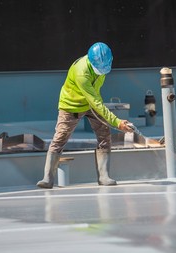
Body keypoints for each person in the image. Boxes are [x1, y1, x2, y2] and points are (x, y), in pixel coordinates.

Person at [36, 42, 133, 189]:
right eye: (100, 70)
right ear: (91, 62)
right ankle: (47, 178)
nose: (103, 72)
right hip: (71, 105)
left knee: (104, 134)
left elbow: (95, 97)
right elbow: (95, 101)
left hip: (91, 103)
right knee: (60, 137)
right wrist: (117, 122)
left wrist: (113, 122)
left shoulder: (102, 68)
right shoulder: (82, 72)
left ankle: (104, 176)